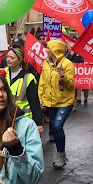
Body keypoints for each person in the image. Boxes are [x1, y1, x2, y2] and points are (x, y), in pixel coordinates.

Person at [38, 40, 75, 169]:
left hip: (65, 101)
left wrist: (62, 74)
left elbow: (71, 86)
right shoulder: (46, 63)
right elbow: (42, 82)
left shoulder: (67, 64)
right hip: (50, 102)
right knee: (54, 127)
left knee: (58, 126)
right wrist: (41, 98)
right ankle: (61, 153)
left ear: (55, 50)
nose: (46, 50)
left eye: (48, 48)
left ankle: (60, 155)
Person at [4, 48, 43, 134]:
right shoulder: (2, 73)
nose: (8, 59)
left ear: (19, 61)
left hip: (23, 118)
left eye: (12, 58)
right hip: (5, 116)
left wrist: (38, 123)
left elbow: (34, 102)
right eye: (7, 57)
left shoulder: (28, 78)